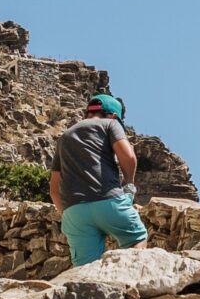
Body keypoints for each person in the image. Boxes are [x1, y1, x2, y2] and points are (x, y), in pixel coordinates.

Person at [52, 93, 149, 266]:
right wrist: (129, 184)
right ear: (113, 115)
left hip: (74, 212)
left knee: (83, 269)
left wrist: (67, 212)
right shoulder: (110, 124)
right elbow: (128, 157)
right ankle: (129, 287)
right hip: (107, 200)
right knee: (137, 239)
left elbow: (54, 187)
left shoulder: (64, 137)